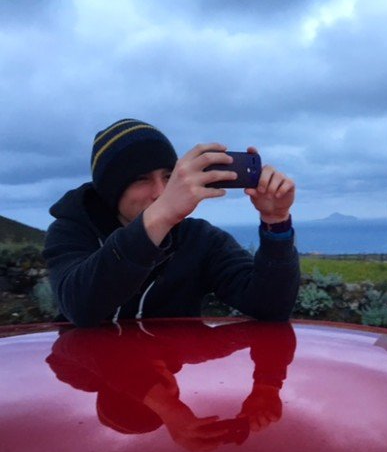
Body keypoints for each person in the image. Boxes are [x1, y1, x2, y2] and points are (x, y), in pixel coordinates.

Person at [43, 118, 300, 327]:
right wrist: (160, 216)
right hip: (87, 380)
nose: (160, 192)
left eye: (169, 177)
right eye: (142, 179)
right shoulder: (71, 230)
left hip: (175, 379)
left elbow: (270, 307)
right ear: (112, 189)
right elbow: (80, 306)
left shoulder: (200, 239)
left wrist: (275, 221)